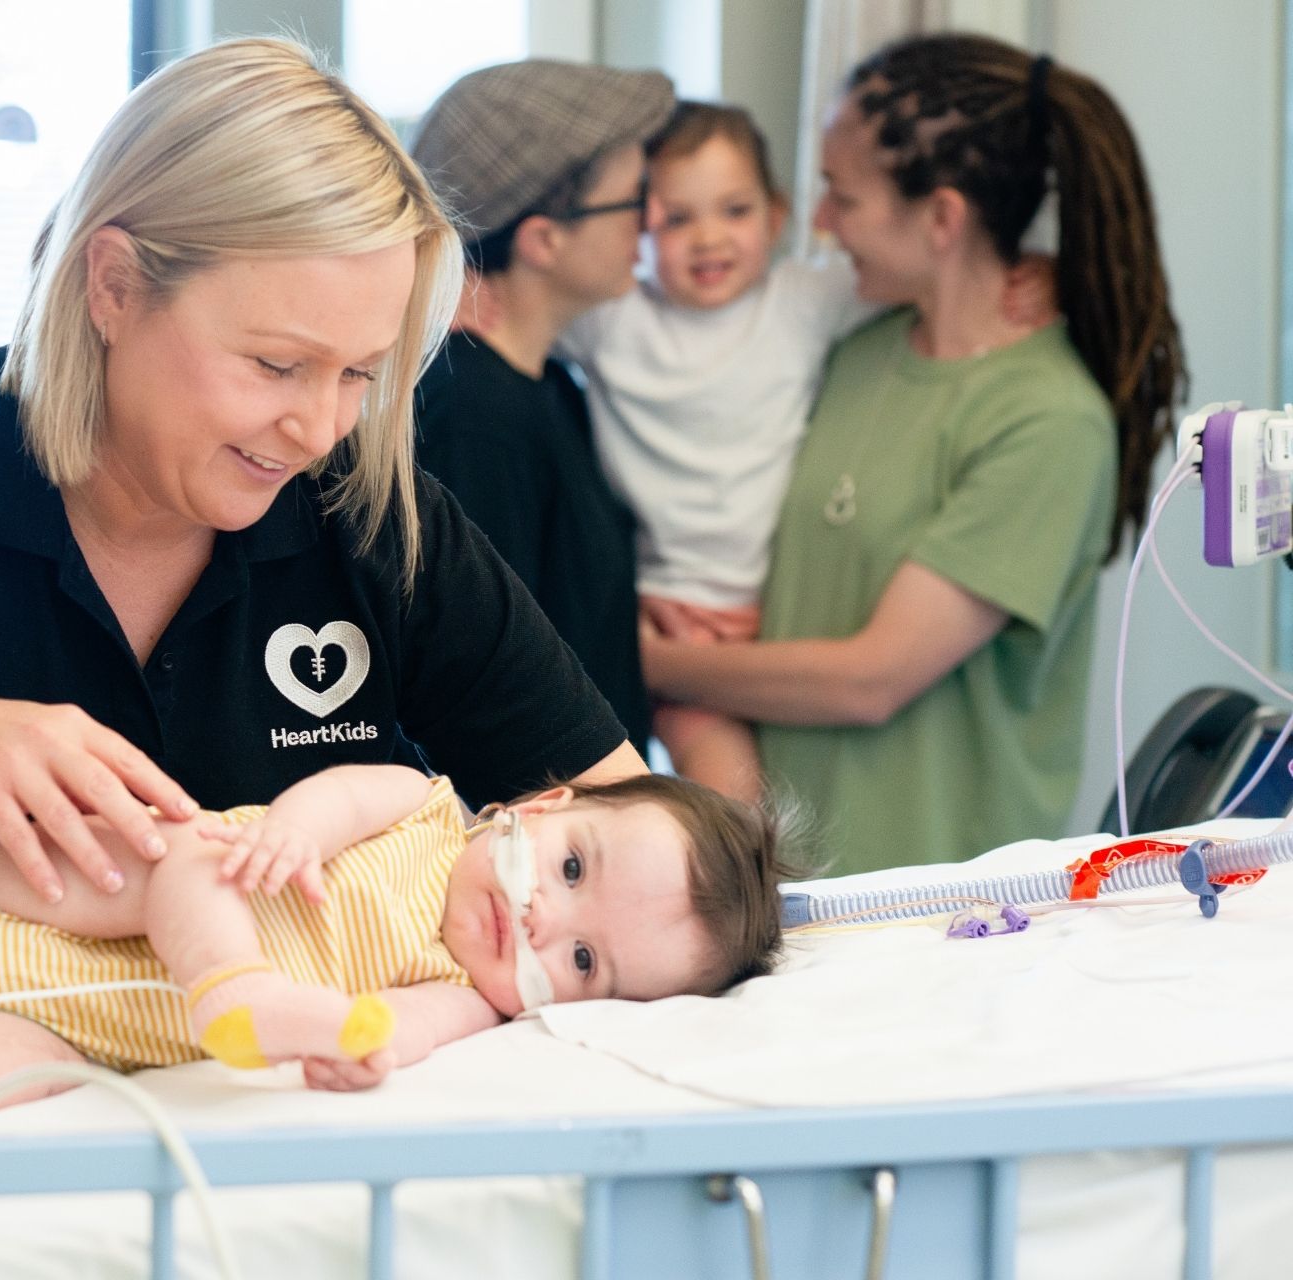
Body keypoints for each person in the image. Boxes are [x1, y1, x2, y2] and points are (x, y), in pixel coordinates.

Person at [0, 39, 653, 1042]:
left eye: (361, 374)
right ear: (114, 285)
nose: (321, 430)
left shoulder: (368, 512)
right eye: (276, 363)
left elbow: (652, 859)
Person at [637, 34, 1184, 874]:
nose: (818, 222)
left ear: (941, 218)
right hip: (794, 895)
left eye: (841, 196)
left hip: (940, 917)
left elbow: (871, 679)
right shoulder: (859, 352)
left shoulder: (1046, 420)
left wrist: (641, 660)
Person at [0, 764, 794, 1136]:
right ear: (540, 807)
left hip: (54, 1020)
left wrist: (355, 1048)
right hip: (40, 900)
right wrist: (296, 826)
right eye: (574, 870)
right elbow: (323, 801)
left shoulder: (470, 998)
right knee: (186, 852)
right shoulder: (420, 806)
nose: (544, 921)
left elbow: (391, 1034)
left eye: (585, 962)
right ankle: (232, 986)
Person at [558, 103, 877, 802]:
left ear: (776, 215)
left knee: (817, 800)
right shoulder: (614, 319)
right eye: (676, 219)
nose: (708, 239)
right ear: (638, 229)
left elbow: (920, 278)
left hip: (790, 613)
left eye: (733, 210)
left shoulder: (803, 297)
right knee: (736, 816)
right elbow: (526, 305)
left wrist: (1026, 269)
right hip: (674, 616)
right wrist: (465, 293)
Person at [407, 62, 675, 756]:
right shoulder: (474, 414)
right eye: (634, 198)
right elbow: (480, 674)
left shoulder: (551, 386)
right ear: (542, 239)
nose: (652, 221)